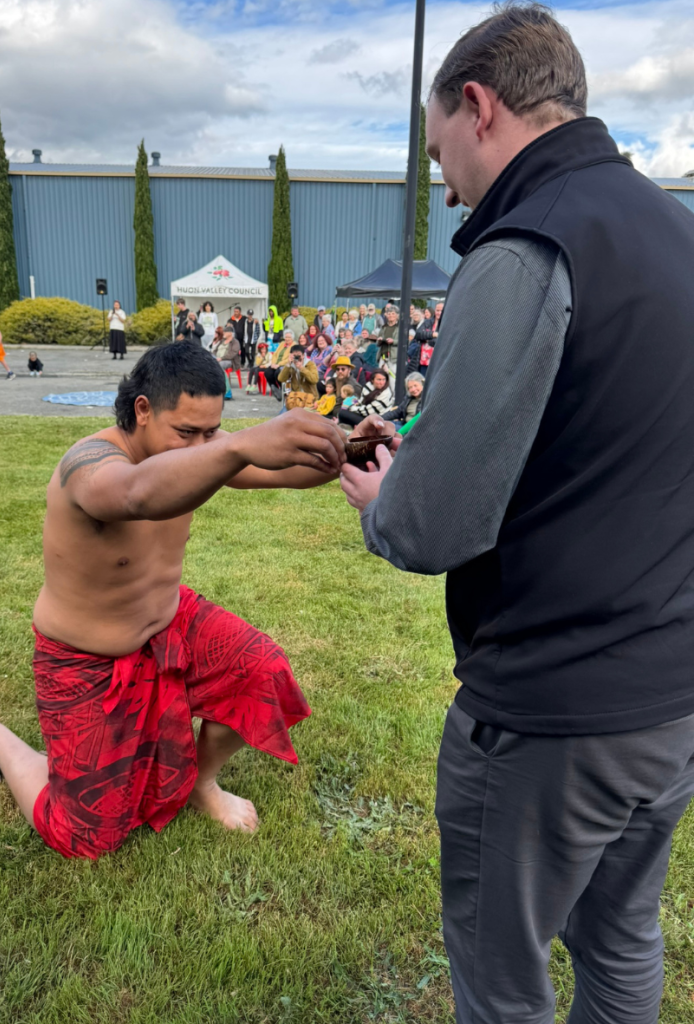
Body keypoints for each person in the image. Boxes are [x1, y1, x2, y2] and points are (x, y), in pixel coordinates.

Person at [339, 5, 694, 1023]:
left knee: (503, 981)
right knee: (622, 936)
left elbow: (429, 525)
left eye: (440, 150)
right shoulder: (675, 230)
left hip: (552, 713)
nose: (445, 184)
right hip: (672, 693)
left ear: (481, 107)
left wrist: (382, 498)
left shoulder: (524, 245)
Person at [0, 342, 358, 860]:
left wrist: (348, 448)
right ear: (142, 410)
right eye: (187, 432)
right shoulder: (89, 462)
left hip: (169, 623)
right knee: (84, 834)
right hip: (84, 657)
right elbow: (135, 495)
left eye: (212, 431)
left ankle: (200, 784)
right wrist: (237, 446)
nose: (202, 445)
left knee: (263, 672)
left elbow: (291, 470)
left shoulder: (202, 449)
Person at [263, 330, 295, 399]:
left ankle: (282, 389)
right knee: (267, 372)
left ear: (292, 338)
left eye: (289, 337)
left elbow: (290, 358)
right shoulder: (282, 344)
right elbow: (275, 354)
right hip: (276, 364)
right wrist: (273, 363)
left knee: (278, 373)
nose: (287, 339)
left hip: (285, 365)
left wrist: (279, 364)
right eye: (286, 337)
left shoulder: (294, 345)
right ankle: (275, 388)